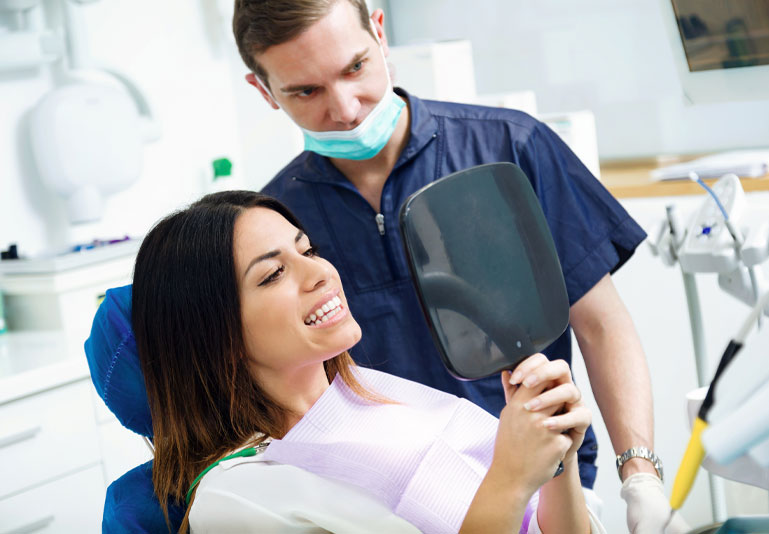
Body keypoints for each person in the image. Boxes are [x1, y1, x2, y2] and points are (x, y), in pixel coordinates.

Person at [232, 1, 689, 532]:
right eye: (306, 92)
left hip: (550, 486)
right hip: (396, 508)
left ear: (379, 32)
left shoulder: (509, 149)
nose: (347, 109)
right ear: (264, 90)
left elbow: (601, 324)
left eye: (355, 68)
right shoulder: (280, 228)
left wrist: (639, 475)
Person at [132, 190, 605, 533]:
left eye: (308, 250)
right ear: (216, 334)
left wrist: (556, 457)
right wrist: (512, 477)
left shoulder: (379, 395)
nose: (320, 272)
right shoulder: (235, 499)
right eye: (274, 273)